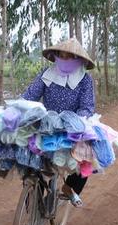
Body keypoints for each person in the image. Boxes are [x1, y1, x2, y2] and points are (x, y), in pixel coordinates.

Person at [21, 38, 96, 207]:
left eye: (69, 57)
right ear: (55, 57)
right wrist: (18, 108)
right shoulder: (47, 75)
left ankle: (70, 188)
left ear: (78, 60)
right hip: (47, 124)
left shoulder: (85, 80)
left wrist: (73, 123)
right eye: (61, 56)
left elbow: (86, 107)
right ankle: (33, 196)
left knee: (88, 154)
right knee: (28, 154)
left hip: (72, 126)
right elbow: (30, 96)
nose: (64, 60)